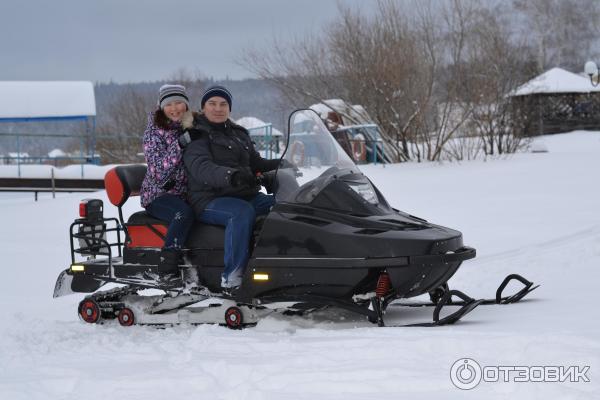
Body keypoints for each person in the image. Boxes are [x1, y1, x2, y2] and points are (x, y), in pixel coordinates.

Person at [180, 85, 286, 291]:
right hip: (209, 199)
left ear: (229, 108)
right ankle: (232, 277)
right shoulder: (196, 136)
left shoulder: (239, 134)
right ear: (203, 108)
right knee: (240, 213)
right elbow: (202, 168)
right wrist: (233, 176)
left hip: (244, 194)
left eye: (223, 104)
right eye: (212, 104)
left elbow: (256, 162)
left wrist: (280, 164)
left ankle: (283, 263)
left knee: (284, 205)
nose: (218, 108)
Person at [140, 84, 195, 274]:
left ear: (186, 105)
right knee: (183, 214)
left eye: (179, 102)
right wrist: (179, 145)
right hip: (158, 194)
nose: (175, 108)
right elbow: (158, 171)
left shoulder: (190, 126)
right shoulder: (153, 132)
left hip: (186, 192)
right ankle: (168, 260)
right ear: (162, 107)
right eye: (169, 104)